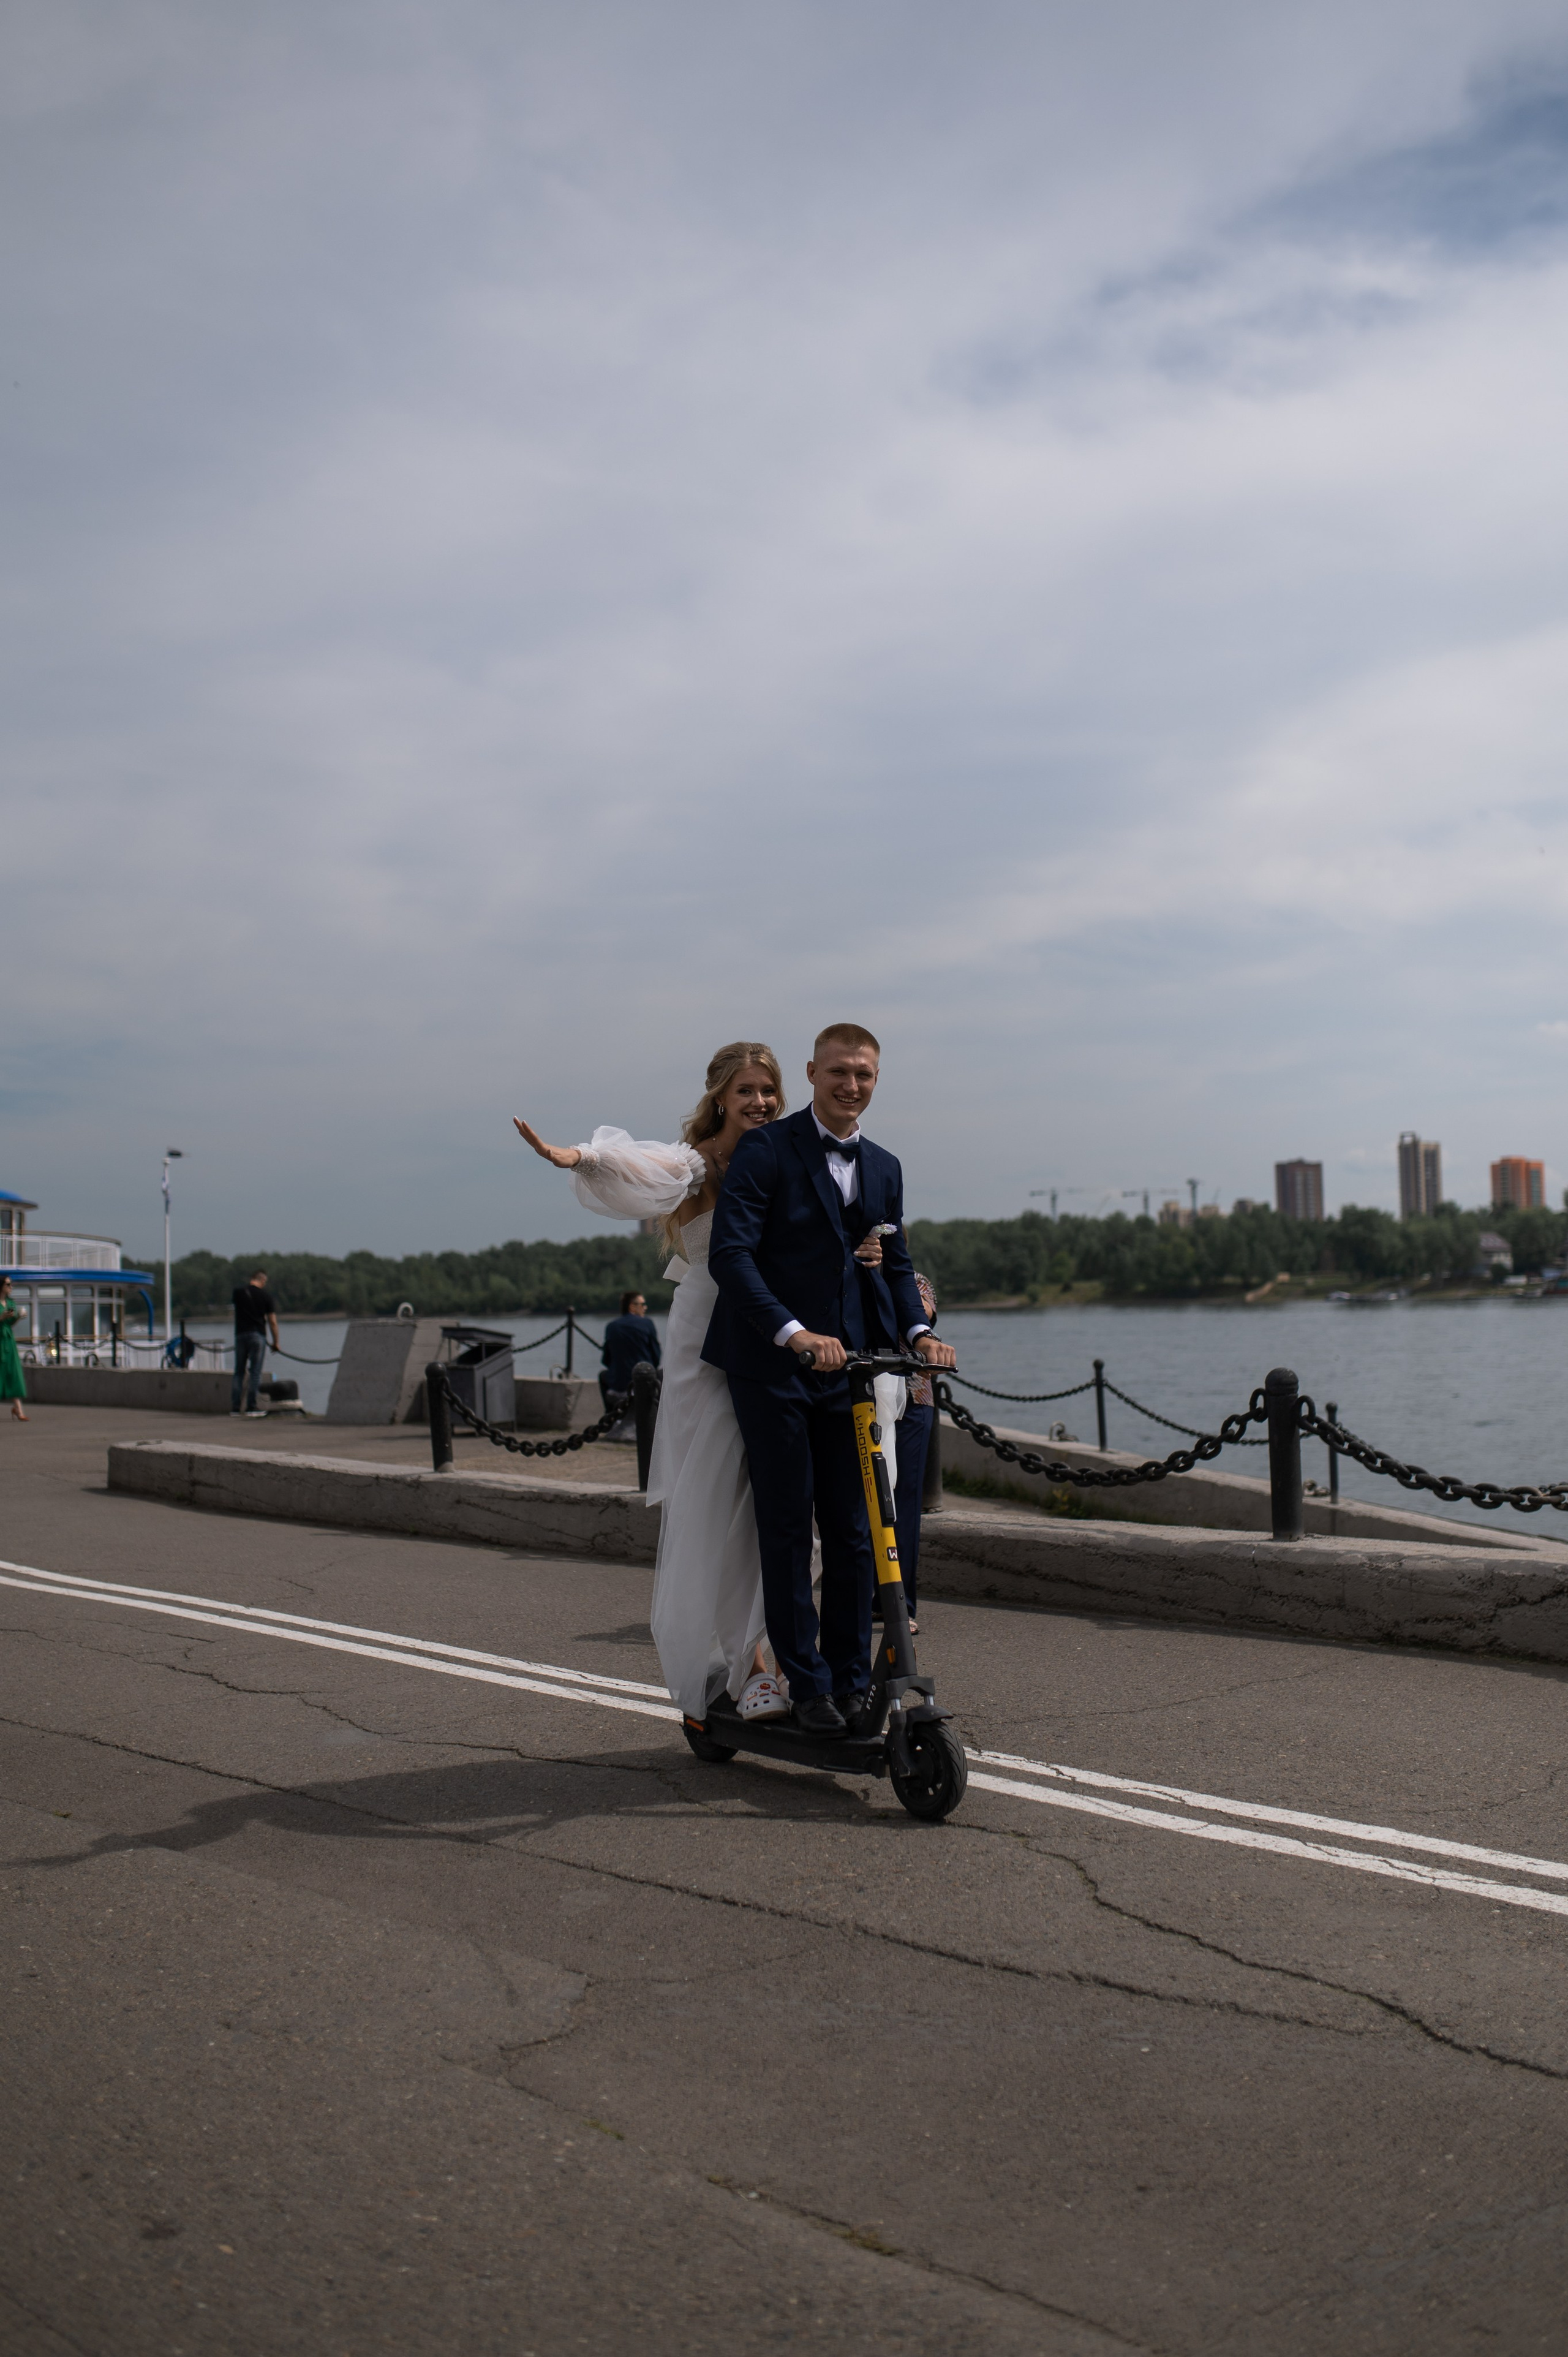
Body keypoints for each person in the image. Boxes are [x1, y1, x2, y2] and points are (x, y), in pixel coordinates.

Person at [513, 1046, 891, 1725]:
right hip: (712, 1340)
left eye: (768, 1090)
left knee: (786, 1514)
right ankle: (746, 1665)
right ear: (719, 1096)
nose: (759, 1103)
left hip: (783, 1341)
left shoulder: (789, 1153)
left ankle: (784, 1659)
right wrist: (577, 1157)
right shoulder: (697, 1163)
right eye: (745, 1091)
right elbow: (640, 1165)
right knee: (727, 1506)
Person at [704, 1023, 956, 1735]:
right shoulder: (765, 1149)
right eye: (840, 1071)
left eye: (865, 1075)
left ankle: (850, 1681)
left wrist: (919, 1334)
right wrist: (793, 1333)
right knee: (788, 1528)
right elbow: (732, 1255)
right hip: (772, 1366)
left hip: (849, 1371)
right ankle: (805, 1684)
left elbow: (896, 1262)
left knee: (853, 1530)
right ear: (812, 1072)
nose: (852, 1085)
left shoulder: (883, 1165)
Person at [598, 1291, 661, 1417]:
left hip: (618, 1386)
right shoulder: (647, 1324)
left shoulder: (611, 1326)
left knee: (603, 1376)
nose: (645, 1308)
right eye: (642, 1304)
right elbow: (656, 1358)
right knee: (662, 1374)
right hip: (642, 1385)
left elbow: (606, 1360)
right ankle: (657, 1416)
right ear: (632, 1306)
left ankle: (611, 1416)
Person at [231, 1269, 281, 1417]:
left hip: (240, 1335)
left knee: (239, 1372)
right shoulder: (266, 1297)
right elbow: (272, 1322)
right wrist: (276, 1342)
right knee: (255, 1372)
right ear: (263, 1281)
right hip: (258, 1335)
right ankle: (252, 1406)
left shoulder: (238, 1293)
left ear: (252, 1278)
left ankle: (235, 1407)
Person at [0, 1275, 29, 1422]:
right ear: (2, 1286)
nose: (11, 1287)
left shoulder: (10, 1302)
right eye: (9, 1284)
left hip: (8, 1342)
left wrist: (18, 1317)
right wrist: (1, 1318)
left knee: (13, 1373)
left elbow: (9, 1323)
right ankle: (17, 1409)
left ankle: (18, 1409)